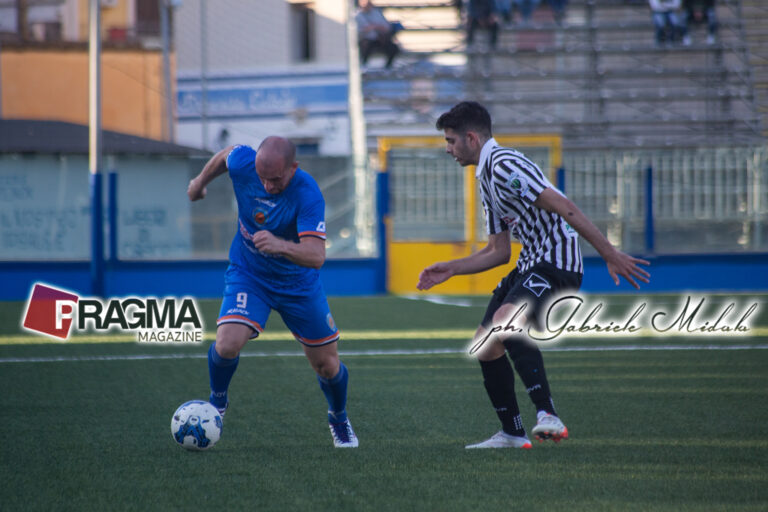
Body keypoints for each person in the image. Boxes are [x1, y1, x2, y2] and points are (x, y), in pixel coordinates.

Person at [418, 102, 650, 449]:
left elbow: (564, 206)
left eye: (451, 141)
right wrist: (451, 268)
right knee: (487, 347)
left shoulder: (505, 165)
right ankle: (512, 433)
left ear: (471, 137)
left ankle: (548, 415)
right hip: (531, 262)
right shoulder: (486, 177)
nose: (448, 148)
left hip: (557, 261)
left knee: (505, 319)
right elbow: (499, 251)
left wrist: (609, 253)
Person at [187, 136, 358, 448]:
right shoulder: (244, 163)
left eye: (276, 179)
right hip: (249, 274)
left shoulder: (308, 194)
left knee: (327, 366)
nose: (267, 186)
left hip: (298, 285)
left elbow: (317, 256)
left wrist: (279, 245)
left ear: (293, 168)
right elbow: (225, 156)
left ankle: (338, 417)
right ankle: (218, 403)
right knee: (226, 344)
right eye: (262, 178)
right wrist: (199, 181)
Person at [356, 0, 401, 69]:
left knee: (393, 48)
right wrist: (371, 28)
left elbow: (386, 27)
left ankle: (388, 67)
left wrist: (374, 27)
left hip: (380, 39)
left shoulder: (377, 13)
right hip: (367, 40)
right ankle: (363, 66)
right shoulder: (357, 15)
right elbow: (360, 30)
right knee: (364, 47)